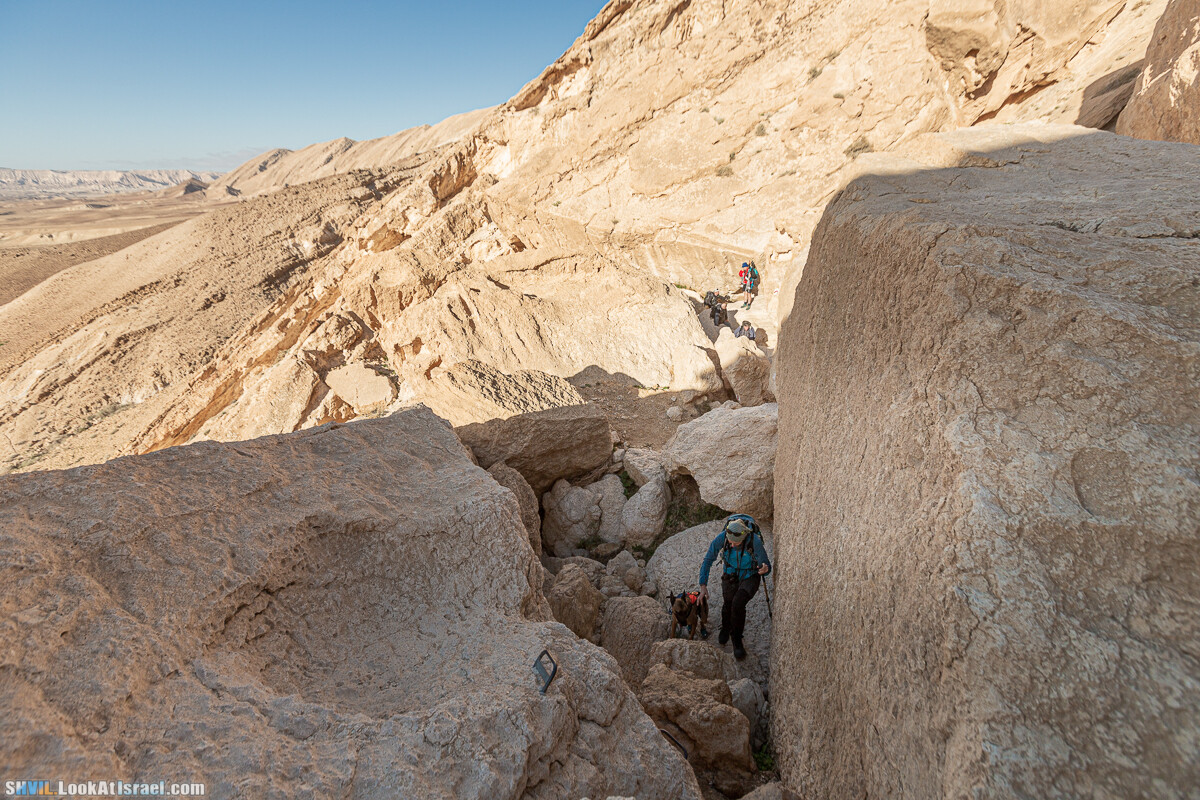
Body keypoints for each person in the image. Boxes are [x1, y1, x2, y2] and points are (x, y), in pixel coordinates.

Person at [698, 515, 771, 659]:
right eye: (730, 542)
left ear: (743, 538)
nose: (731, 545)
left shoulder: (754, 541)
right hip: (730, 572)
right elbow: (708, 560)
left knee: (738, 603)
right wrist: (703, 585)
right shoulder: (723, 537)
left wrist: (765, 569)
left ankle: (737, 639)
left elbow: (766, 564)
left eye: (735, 543)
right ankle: (726, 627)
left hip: (750, 575)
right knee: (728, 602)